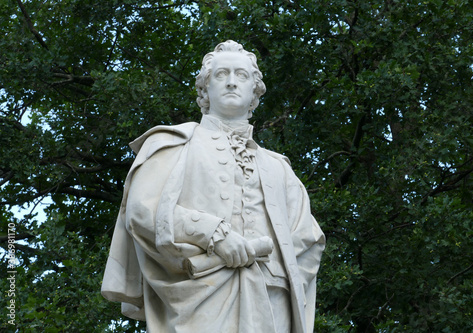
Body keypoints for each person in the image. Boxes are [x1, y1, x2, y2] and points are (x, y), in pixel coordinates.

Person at [101, 40, 325, 333]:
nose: (231, 82)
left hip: (271, 303)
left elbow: (310, 240)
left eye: (241, 76)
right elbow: (143, 211)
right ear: (205, 89)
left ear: (255, 92)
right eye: (221, 75)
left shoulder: (279, 168)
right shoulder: (170, 144)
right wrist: (214, 235)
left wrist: (275, 269)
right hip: (199, 294)